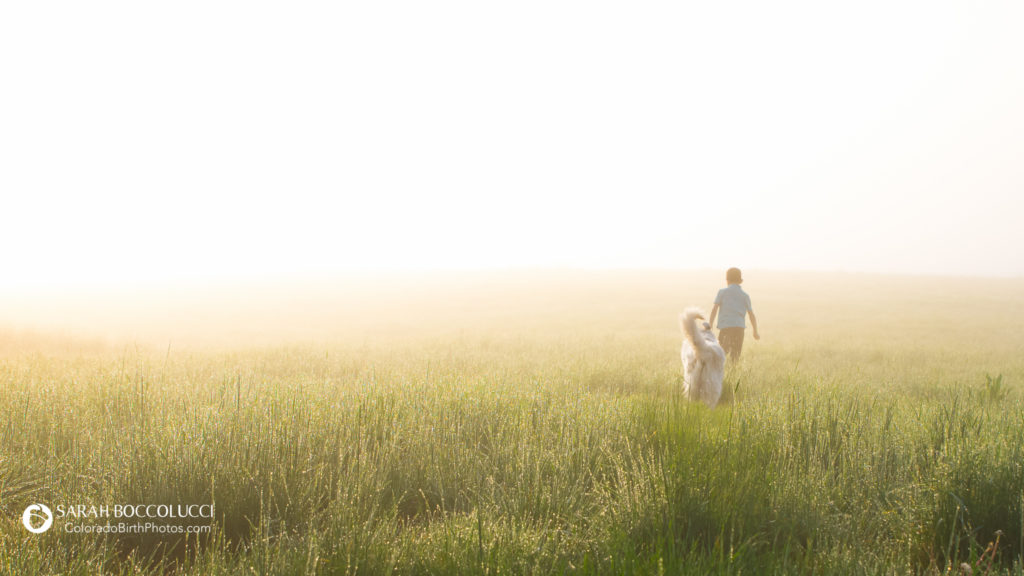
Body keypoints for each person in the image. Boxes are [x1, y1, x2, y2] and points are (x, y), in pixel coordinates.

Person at [708, 267, 759, 360]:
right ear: (740, 280)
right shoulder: (745, 295)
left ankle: (721, 373)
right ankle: (733, 372)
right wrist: (755, 331)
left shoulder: (722, 292)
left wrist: (710, 324)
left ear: (727, 279)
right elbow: (751, 314)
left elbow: (714, 309)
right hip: (739, 329)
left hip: (726, 328)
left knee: (721, 355)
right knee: (735, 356)